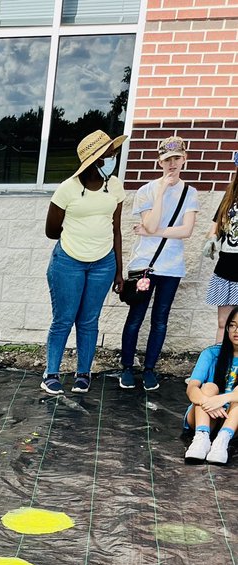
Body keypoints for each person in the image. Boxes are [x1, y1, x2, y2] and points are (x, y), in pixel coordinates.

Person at [42, 129, 127, 396]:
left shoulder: (114, 186)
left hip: (103, 264)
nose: (114, 158)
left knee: (89, 320)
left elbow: (116, 229)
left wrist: (119, 272)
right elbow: (51, 230)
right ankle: (51, 373)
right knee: (64, 319)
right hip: (69, 262)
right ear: (96, 160)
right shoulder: (68, 189)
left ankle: (83, 373)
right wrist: (79, 238)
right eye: (110, 155)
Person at [119, 135, 198, 392]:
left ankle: (150, 369)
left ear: (184, 159)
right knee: (136, 317)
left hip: (171, 267)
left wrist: (151, 231)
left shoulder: (190, 193)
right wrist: (162, 191)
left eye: (176, 158)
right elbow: (151, 223)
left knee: (160, 319)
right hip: (146, 265)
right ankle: (127, 367)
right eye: (167, 160)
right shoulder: (146, 191)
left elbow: (186, 231)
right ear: (159, 162)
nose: (172, 164)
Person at [184, 304, 238, 464]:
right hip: (206, 415)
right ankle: (201, 438)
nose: (236, 331)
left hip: (235, 420)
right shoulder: (211, 353)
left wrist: (222, 399)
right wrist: (208, 402)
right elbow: (192, 388)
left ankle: (222, 442)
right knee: (208, 387)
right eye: (232, 326)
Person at [201, 151, 238, 342]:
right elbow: (216, 225)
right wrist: (211, 239)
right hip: (226, 267)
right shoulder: (230, 195)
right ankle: (219, 366)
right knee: (224, 323)